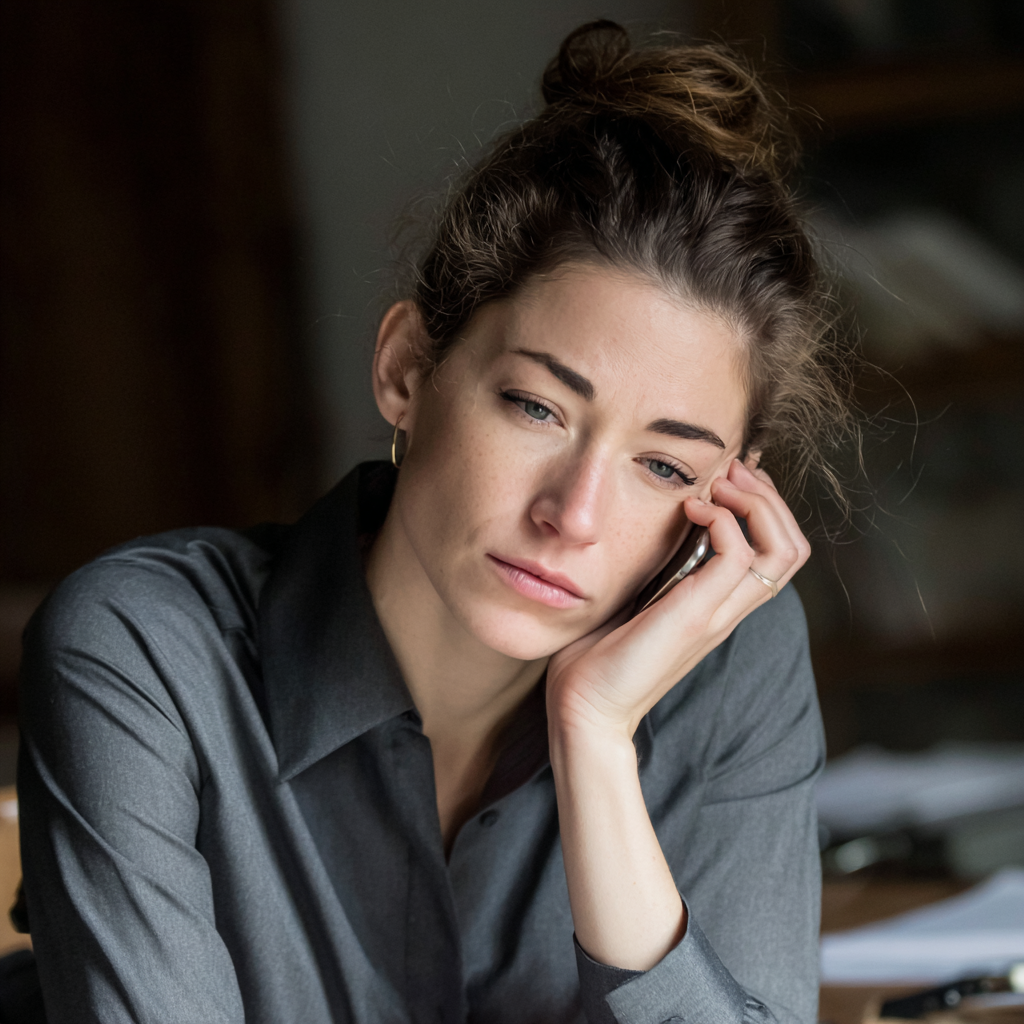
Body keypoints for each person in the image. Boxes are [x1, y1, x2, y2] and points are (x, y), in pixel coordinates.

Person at [17, 21, 853, 1024]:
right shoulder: (142, 652)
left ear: (722, 497)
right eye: (536, 407)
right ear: (407, 368)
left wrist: (592, 737)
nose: (572, 514)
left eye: (663, 465)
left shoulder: (734, 666)